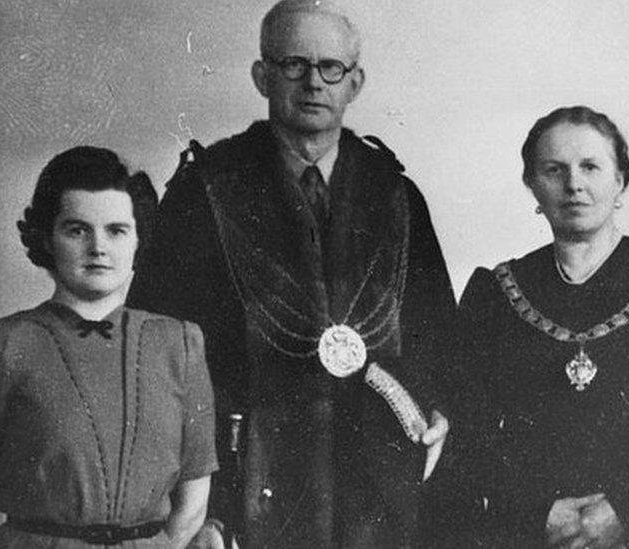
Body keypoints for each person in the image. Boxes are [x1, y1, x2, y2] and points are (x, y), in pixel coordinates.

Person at [127, 1, 456, 547]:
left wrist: (437, 408)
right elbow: (160, 353)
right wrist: (197, 506)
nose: (313, 83)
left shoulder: (393, 191)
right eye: (293, 64)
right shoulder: (206, 188)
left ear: (355, 82)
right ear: (263, 75)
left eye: (332, 68)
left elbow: (437, 336)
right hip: (245, 475)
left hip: (374, 475)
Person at [450, 106, 629, 548]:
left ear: (620, 181)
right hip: (531, 537)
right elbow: (471, 438)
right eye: (554, 170)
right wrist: (537, 514)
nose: (573, 184)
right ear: (532, 185)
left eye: (590, 167)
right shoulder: (496, 292)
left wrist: (627, 511)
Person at [0, 146, 217, 548]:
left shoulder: (180, 344)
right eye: (77, 229)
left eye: (116, 230)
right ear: (46, 237)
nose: (98, 247)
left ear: (138, 239)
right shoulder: (1, 346)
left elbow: (194, 498)